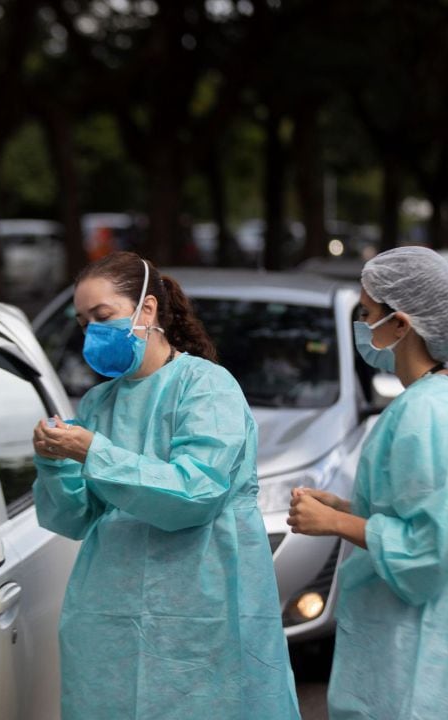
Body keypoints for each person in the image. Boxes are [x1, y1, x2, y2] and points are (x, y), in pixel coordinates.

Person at [32, 251, 301, 720]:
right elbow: (74, 518)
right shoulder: (99, 402)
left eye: (103, 317)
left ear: (148, 310)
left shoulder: (207, 387)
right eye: (83, 323)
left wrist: (94, 452)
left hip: (204, 607)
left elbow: (195, 493)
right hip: (110, 613)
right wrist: (55, 462)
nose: (92, 332)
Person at [287, 246, 448, 719]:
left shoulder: (426, 414)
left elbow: (427, 549)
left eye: (367, 314)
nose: (361, 328)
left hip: (427, 641)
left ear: (402, 324)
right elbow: (423, 510)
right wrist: (347, 508)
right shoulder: (441, 400)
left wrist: (333, 523)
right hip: (437, 627)